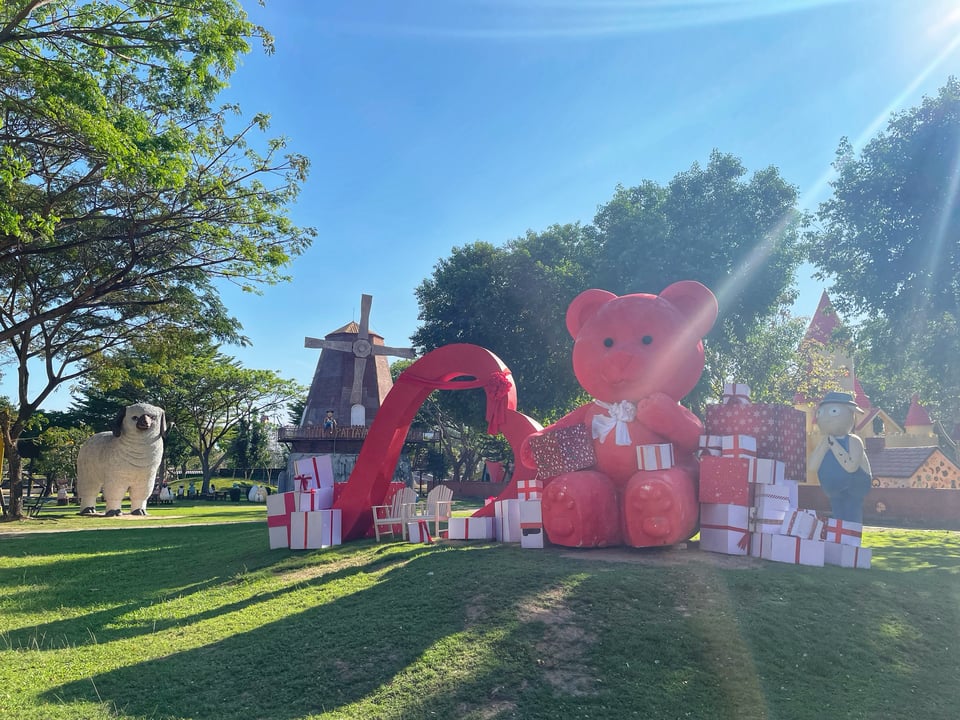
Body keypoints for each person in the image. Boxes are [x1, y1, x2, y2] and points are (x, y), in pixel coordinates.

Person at [809, 391, 873, 523]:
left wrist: (833, 444)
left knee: (851, 515)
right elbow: (812, 466)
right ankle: (840, 535)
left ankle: (852, 534)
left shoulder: (853, 441)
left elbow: (851, 467)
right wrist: (824, 446)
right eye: (820, 413)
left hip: (853, 489)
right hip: (833, 490)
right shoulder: (825, 441)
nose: (825, 418)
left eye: (834, 411)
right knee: (838, 517)